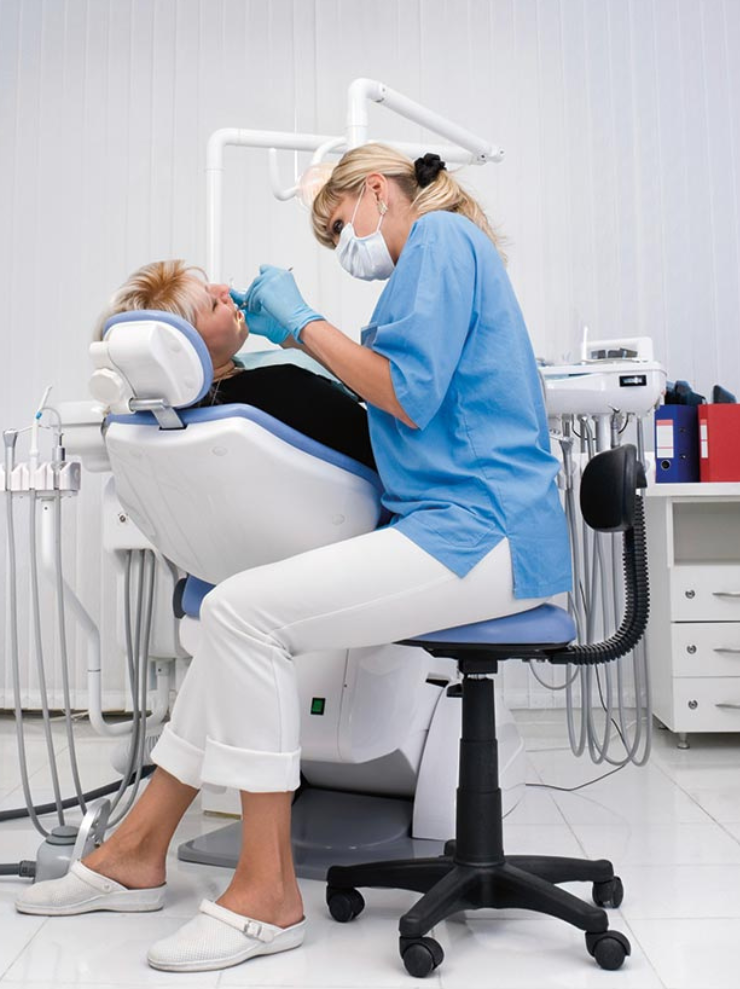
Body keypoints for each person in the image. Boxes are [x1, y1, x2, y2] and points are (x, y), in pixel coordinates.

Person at [15, 147, 571, 975]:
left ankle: (267, 897)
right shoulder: (425, 260)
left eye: (337, 222)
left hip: (482, 530)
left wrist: (302, 322)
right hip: (446, 525)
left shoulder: (443, 241)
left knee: (241, 614)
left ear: (376, 191)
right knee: (239, 614)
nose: (341, 240)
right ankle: (133, 856)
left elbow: (404, 393)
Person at [93, 259, 376, 469]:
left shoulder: (152, 422)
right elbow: (386, 430)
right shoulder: (284, 388)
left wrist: (290, 337)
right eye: (213, 304)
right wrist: (301, 325)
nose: (225, 290)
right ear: (183, 347)